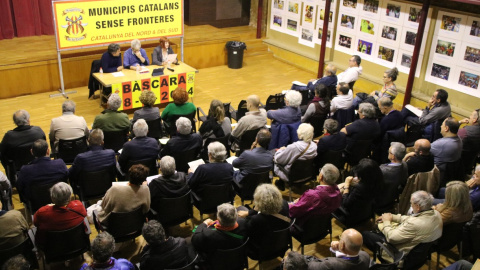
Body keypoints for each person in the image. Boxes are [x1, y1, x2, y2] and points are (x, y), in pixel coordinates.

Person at [362, 191, 443, 262]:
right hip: (419, 255)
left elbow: (391, 238)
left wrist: (387, 221)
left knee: (365, 234)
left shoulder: (414, 224)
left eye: (411, 203)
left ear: (418, 207)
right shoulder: (436, 214)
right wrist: (392, 217)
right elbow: (411, 218)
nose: (410, 205)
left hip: (399, 255)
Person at [237, 184, 290, 260]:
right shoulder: (284, 204)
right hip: (281, 245)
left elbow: (247, 232)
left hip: (260, 251)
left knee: (241, 210)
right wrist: (250, 212)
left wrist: (250, 214)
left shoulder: (257, 220)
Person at [33, 182, 86, 247]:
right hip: (77, 245)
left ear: (52, 198)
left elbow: (35, 223)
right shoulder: (78, 206)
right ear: (70, 197)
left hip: (51, 249)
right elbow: (84, 214)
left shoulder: (42, 212)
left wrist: (48, 207)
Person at [336, 158, 383, 227]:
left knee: (338, 191)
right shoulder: (377, 182)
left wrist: (346, 185)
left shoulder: (359, 189)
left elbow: (345, 204)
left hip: (353, 217)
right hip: (367, 213)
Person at [273, 123, 317, 190]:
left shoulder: (294, 147)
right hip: (308, 174)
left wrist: (280, 150)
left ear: (300, 133)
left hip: (292, 177)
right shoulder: (314, 146)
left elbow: (278, 159)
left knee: (276, 160)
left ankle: (280, 183)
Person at [376, 142, 408, 211]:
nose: (388, 153)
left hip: (379, 200)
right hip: (392, 197)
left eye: (389, 152)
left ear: (393, 156)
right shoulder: (405, 165)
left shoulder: (382, 170)